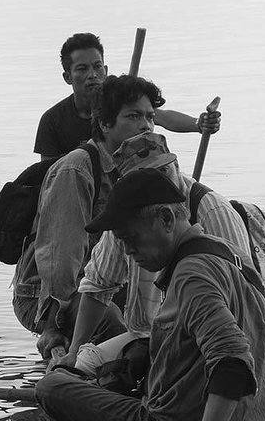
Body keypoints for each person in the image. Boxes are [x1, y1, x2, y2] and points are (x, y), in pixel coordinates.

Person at [35, 167, 265, 421]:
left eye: (131, 238)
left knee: (53, 387)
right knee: (134, 359)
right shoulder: (227, 253)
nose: (128, 251)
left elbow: (232, 363)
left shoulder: (192, 275)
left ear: (167, 219)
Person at [14, 75, 217, 361]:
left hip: (99, 277)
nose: (145, 125)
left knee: (154, 319)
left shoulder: (141, 169)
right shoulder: (76, 170)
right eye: (133, 117)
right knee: (116, 328)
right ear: (105, 124)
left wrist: (198, 125)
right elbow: (60, 257)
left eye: (149, 117)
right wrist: (52, 324)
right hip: (44, 296)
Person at [54, 131, 250, 384]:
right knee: (70, 377)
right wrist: (73, 352)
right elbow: (98, 285)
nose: (158, 184)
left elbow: (240, 315)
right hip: (147, 336)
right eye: (144, 179)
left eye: (163, 172)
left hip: (202, 340)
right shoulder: (127, 219)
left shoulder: (212, 212)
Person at [34, 32, 221, 161]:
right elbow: (48, 174)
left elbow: (161, 116)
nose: (92, 75)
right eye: (82, 69)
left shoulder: (120, 102)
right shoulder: (52, 120)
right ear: (68, 77)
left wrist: (199, 124)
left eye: (97, 67)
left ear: (105, 70)